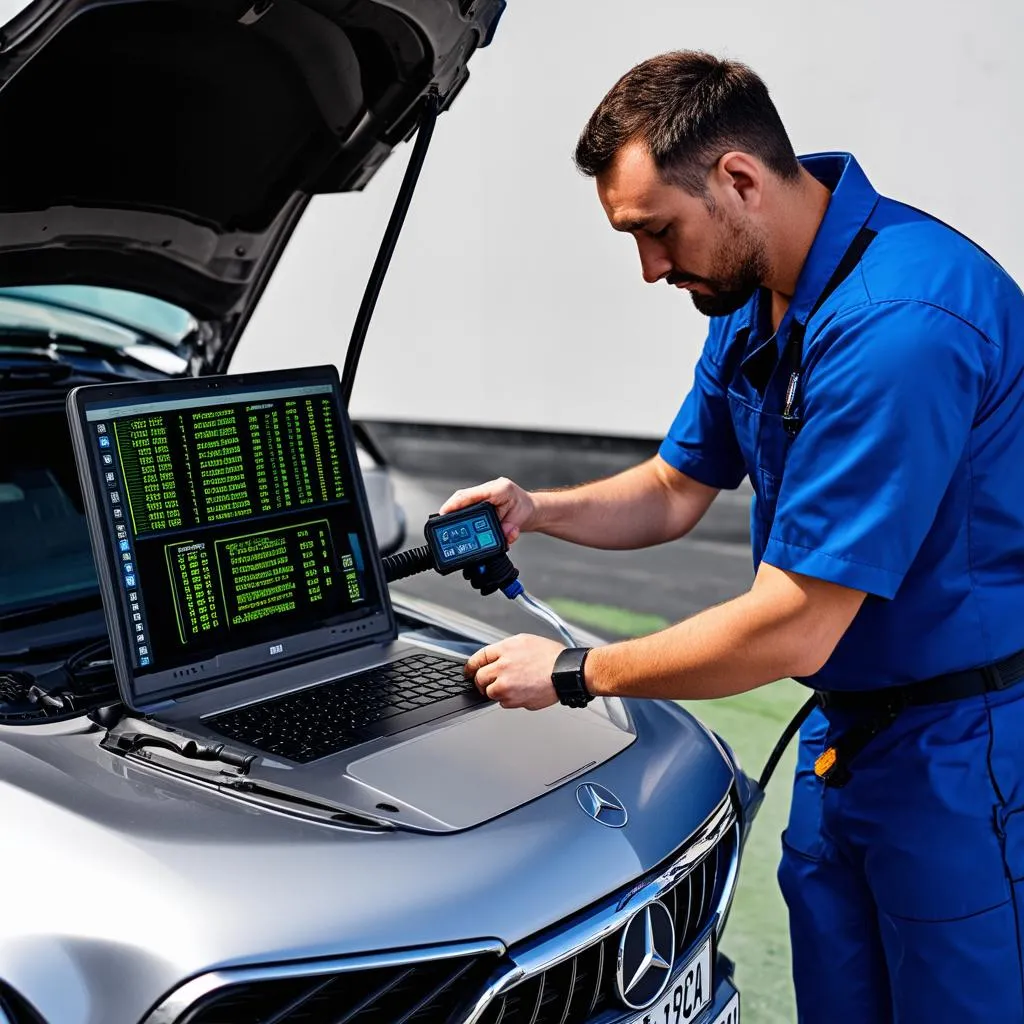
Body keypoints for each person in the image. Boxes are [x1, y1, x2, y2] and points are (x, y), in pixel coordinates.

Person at [441, 51, 1024, 1023]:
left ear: (738, 180)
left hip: (960, 757)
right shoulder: (757, 293)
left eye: (657, 233)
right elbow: (675, 488)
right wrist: (536, 508)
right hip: (847, 741)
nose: (651, 268)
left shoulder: (899, 328)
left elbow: (792, 625)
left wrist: (577, 671)